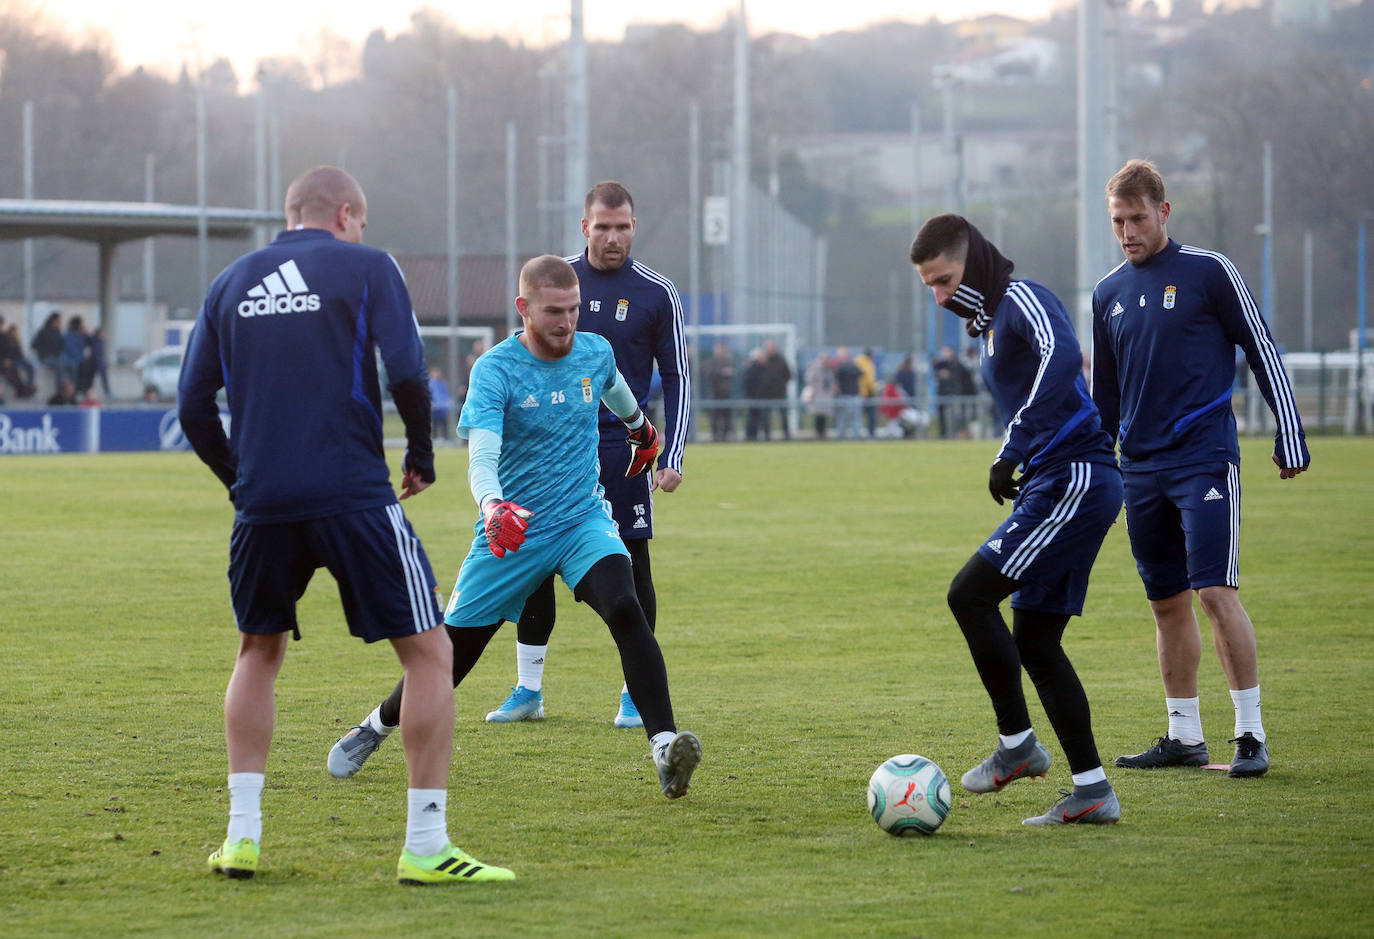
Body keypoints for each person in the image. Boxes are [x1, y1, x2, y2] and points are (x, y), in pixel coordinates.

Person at [178, 165, 512, 885]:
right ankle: (426, 845)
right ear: (348, 212)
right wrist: (420, 453)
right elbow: (407, 368)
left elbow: (193, 406)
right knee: (428, 654)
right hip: (354, 492)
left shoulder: (231, 281)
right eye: (361, 220)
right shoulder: (367, 266)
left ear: (291, 213)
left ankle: (241, 836)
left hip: (264, 501)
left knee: (256, 651)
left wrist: (241, 481)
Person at [325, 254, 703, 798]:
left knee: (626, 605)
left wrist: (643, 431)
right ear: (523, 309)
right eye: (554, 312)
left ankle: (665, 747)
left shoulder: (595, 351)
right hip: (513, 530)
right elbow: (482, 455)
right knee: (449, 662)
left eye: (573, 310)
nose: (568, 322)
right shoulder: (495, 370)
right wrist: (491, 505)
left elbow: (619, 392)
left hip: (582, 521)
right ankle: (376, 726)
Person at [1092, 159, 1310, 778]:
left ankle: (1250, 733)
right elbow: (1105, 398)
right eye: (1117, 221)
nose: (1128, 231)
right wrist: (1090, 467)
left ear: (1163, 212)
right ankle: (1184, 736)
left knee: (1215, 591)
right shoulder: (1107, 293)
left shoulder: (1209, 272)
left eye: (1137, 218)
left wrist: (1289, 431)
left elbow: (1261, 346)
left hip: (1203, 458)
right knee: (1166, 603)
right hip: (1140, 468)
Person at [912, 213, 1123, 826]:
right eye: (930, 287)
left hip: (1073, 477)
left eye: (946, 280)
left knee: (969, 596)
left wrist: (1013, 446)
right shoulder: (988, 326)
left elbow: (1064, 356)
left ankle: (1016, 745)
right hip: (1056, 479)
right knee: (1034, 638)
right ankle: (1093, 791)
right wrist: (1018, 450)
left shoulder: (1021, 297)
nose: (941, 297)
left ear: (973, 260)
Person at [475, 181, 692, 728]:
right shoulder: (557, 282)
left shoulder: (656, 292)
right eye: (603, 226)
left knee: (633, 567)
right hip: (548, 445)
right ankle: (528, 690)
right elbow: (519, 357)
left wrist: (672, 453)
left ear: (633, 228)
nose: (613, 236)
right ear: (585, 227)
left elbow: (678, 376)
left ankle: (632, 695)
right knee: (532, 566)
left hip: (623, 452)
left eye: (622, 227)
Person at [701, 340, 737, 441]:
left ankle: (726, 434)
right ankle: (715, 434)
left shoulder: (728, 361)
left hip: (726, 393)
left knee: (726, 415)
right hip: (714, 393)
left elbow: (733, 372)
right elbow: (708, 372)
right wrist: (722, 372)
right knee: (714, 416)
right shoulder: (711, 362)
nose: (718, 351)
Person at [760, 339, 792, 440]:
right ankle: (767, 436)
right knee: (766, 417)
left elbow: (788, 375)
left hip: (780, 393)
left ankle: (786, 435)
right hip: (766, 394)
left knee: (783, 416)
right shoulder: (763, 361)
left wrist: (781, 385)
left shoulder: (781, 361)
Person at [803, 352, 836, 439]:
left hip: (826, 394)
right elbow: (809, 380)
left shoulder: (829, 369)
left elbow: (831, 381)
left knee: (824, 416)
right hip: (818, 394)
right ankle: (818, 433)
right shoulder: (815, 368)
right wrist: (812, 391)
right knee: (818, 415)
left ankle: (823, 433)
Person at [833, 347, 862, 439]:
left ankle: (855, 436)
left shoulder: (849, 366)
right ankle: (841, 436)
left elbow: (860, 373)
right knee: (842, 418)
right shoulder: (841, 366)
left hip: (853, 395)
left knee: (854, 418)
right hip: (843, 395)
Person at [31, 311, 64, 390]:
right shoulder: (43, 331)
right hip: (46, 357)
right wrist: (46, 349)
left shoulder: (57, 332)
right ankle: (59, 389)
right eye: (58, 321)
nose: (59, 323)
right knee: (59, 366)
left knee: (68, 364)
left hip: (56, 357)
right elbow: (34, 345)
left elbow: (62, 345)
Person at [742, 347, 769, 441]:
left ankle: (757, 436)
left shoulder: (763, 368)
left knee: (760, 418)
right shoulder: (752, 369)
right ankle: (751, 436)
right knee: (753, 418)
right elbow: (748, 384)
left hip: (761, 397)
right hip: (755, 398)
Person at [855, 348, 878, 437]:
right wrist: (873, 388)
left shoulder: (867, 363)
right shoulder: (862, 362)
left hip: (868, 392)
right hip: (863, 393)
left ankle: (870, 433)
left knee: (870, 415)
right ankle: (863, 434)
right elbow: (867, 379)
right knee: (861, 416)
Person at [428, 367, 453, 443]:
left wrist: (448, 402)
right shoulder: (430, 383)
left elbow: (446, 394)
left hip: (442, 407)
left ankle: (446, 439)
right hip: (434, 407)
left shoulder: (442, 383)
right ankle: (434, 439)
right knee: (434, 423)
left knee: (444, 423)